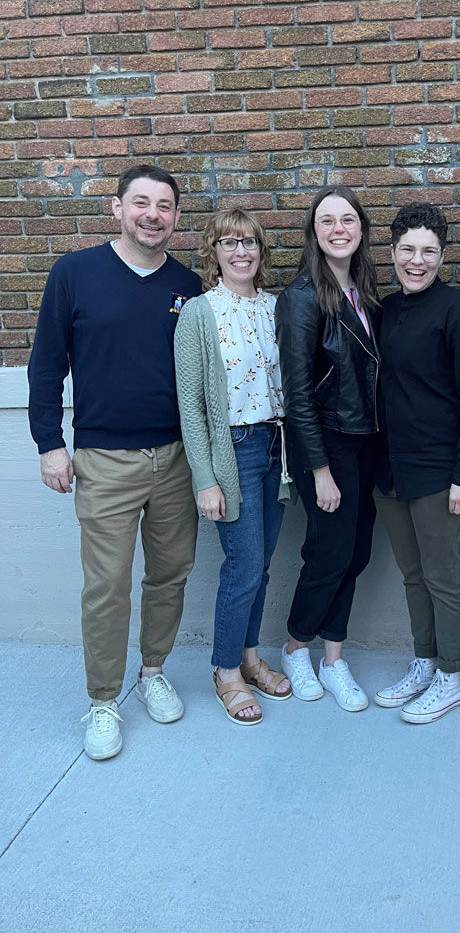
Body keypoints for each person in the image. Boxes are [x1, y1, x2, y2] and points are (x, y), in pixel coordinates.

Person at [27, 164, 202, 760]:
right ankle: (103, 701)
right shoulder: (74, 274)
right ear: (118, 208)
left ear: (177, 217)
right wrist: (50, 442)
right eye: (141, 204)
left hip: (177, 459)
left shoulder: (190, 284)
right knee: (106, 586)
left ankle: (152, 671)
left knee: (171, 572)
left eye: (164, 206)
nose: (152, 215)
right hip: (103, 460)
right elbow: (46, 365)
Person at [373, 203, 460, 724]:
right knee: (412, 575)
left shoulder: (456, 311)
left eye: (427, 251)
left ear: (442, 255)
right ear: (392, 252)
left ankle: (452, 674)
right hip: (391, 471)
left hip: (442, 472)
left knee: (443, 576)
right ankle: (425, 661)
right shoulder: (385, 310)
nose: (416, 261)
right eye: (407, 250)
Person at [174, 208, 292, 727]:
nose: (240, 252)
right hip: (234, 449)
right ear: (213, 252)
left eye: (250, 243)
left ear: (262, 253)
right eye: (229, 243)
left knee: (261, 564)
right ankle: (225, 670)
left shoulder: (276, 308)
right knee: (242, 566)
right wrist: (205, 477)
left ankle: (248, 656)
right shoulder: (200, 312)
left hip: (276, 446)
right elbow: (192, 404)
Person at [275, 185, 381, 712]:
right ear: (314, 233)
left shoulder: (366, 290)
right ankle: (296, 646)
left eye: (348, 220)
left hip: (364, 444)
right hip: (327, 446)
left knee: (356, 553)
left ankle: (333, 659)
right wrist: (318, 470)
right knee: (328, 553)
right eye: (326, 221)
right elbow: (297, 393)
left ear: (361, 229)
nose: (338, 229)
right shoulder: (300, 297)